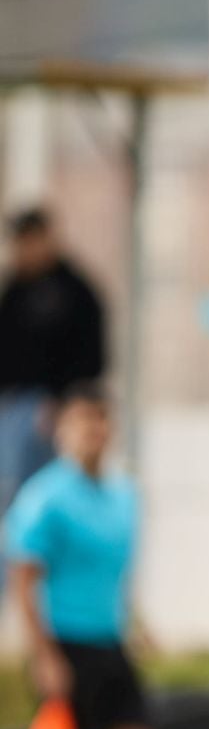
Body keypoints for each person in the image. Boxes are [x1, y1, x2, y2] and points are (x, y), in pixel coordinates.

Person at [4, 385, 157, 729]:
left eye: (102, 421)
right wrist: (43, 655)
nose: (95, 432)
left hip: (109, 642)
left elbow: (118, 573)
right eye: (84, 422)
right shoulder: (45, 496)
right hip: (64, 643)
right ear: (63, 430)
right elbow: (25, 579)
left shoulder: (124, 495)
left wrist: (136, 622)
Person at [0, 208, 106, 514]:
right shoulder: (16, 290)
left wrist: (62, 403)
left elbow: (91, 358)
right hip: (13, 406)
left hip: (53, 410)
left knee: (45, 495)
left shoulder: (74, 292)